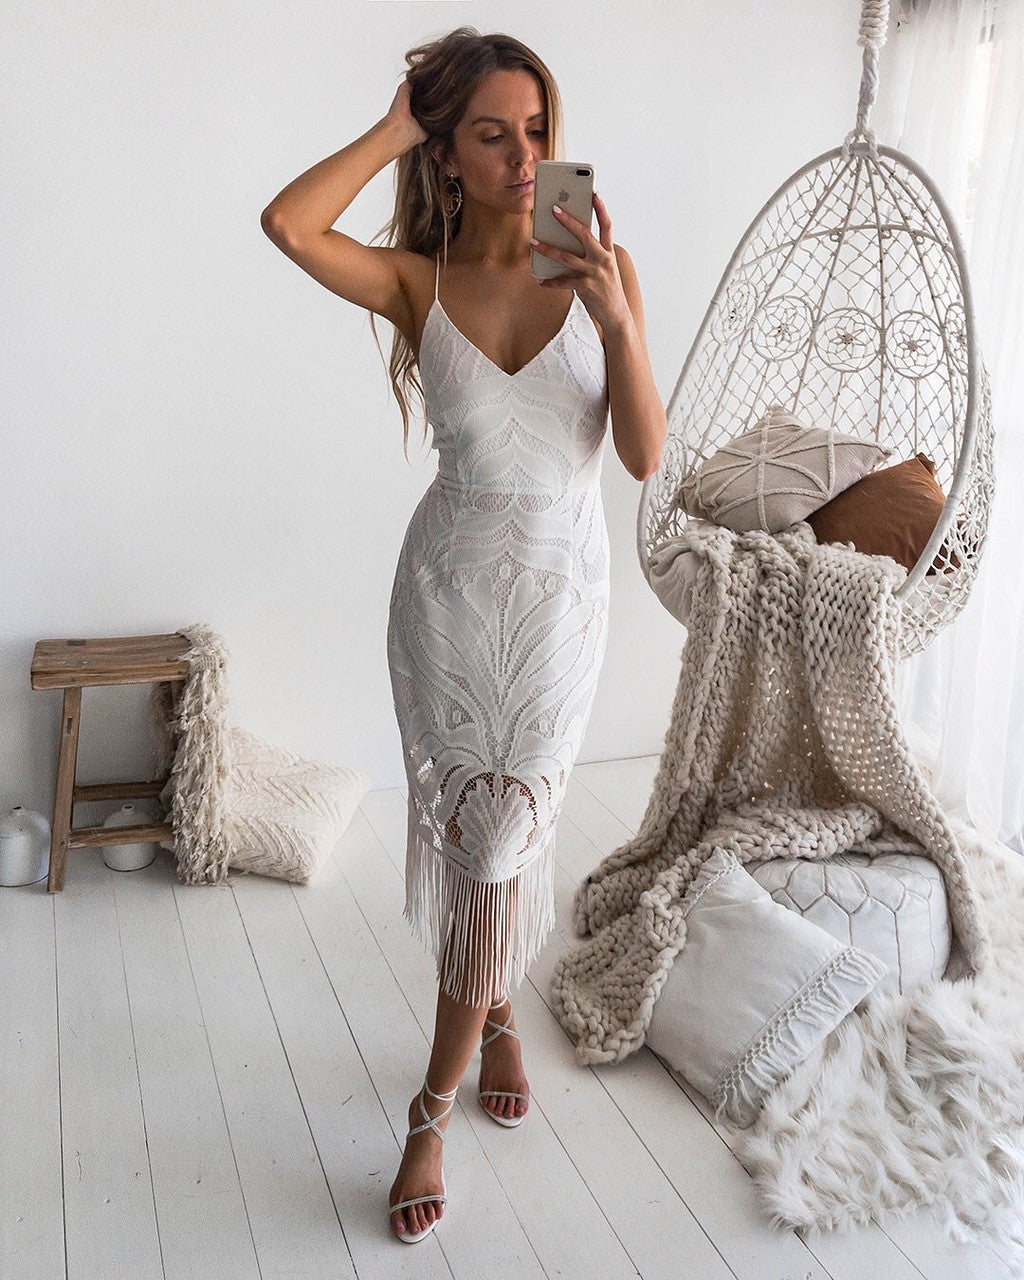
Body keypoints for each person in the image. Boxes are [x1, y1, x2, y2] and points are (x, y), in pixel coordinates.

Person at [260, 26, 666, 1245]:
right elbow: (288, 226)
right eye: (490, 132)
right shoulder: (415, 278)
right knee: (484, 837)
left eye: (536, 129)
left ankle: (428, 1102)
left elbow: (644, 456)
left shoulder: (601, 258)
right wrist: (392, 126)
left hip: (559, 607)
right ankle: (486, 1021)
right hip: (443, 603)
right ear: (446, 150)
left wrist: (616, 318)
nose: (523, 156)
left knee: (500, 840)